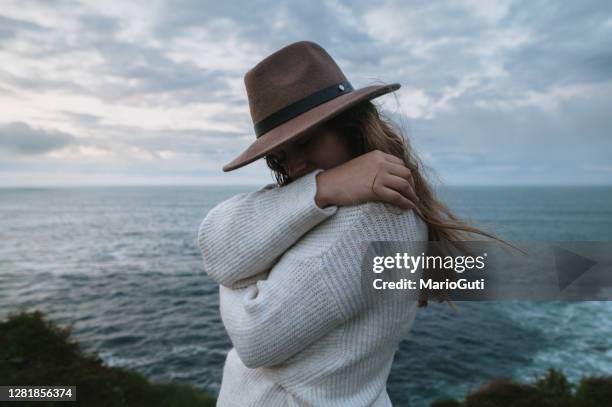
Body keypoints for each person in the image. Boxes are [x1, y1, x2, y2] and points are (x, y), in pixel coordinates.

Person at [197, 41, 499, 406]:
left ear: (352, 127)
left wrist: (237, 278)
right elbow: (214, 241)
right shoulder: (319, 198)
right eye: (281, 156)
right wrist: (323, 187)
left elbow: (254, 337)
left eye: (308, 141)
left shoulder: (374, 217)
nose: (296, 167)